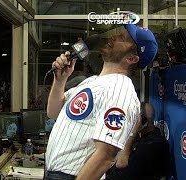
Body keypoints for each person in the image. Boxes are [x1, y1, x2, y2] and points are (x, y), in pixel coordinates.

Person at [45, 24, 158, 180]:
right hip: (55, 173)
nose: (115, 37)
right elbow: (54, 112)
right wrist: (60, 80)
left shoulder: (121, 91)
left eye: (123, 38)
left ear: (131, 58)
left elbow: (106, 155)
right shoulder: (92, 81)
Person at [106, 102, 171, 180]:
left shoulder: (154, 144)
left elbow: (120, 165)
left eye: (134, 119)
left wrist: (133, 133)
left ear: (141, 121)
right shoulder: (140, 138)